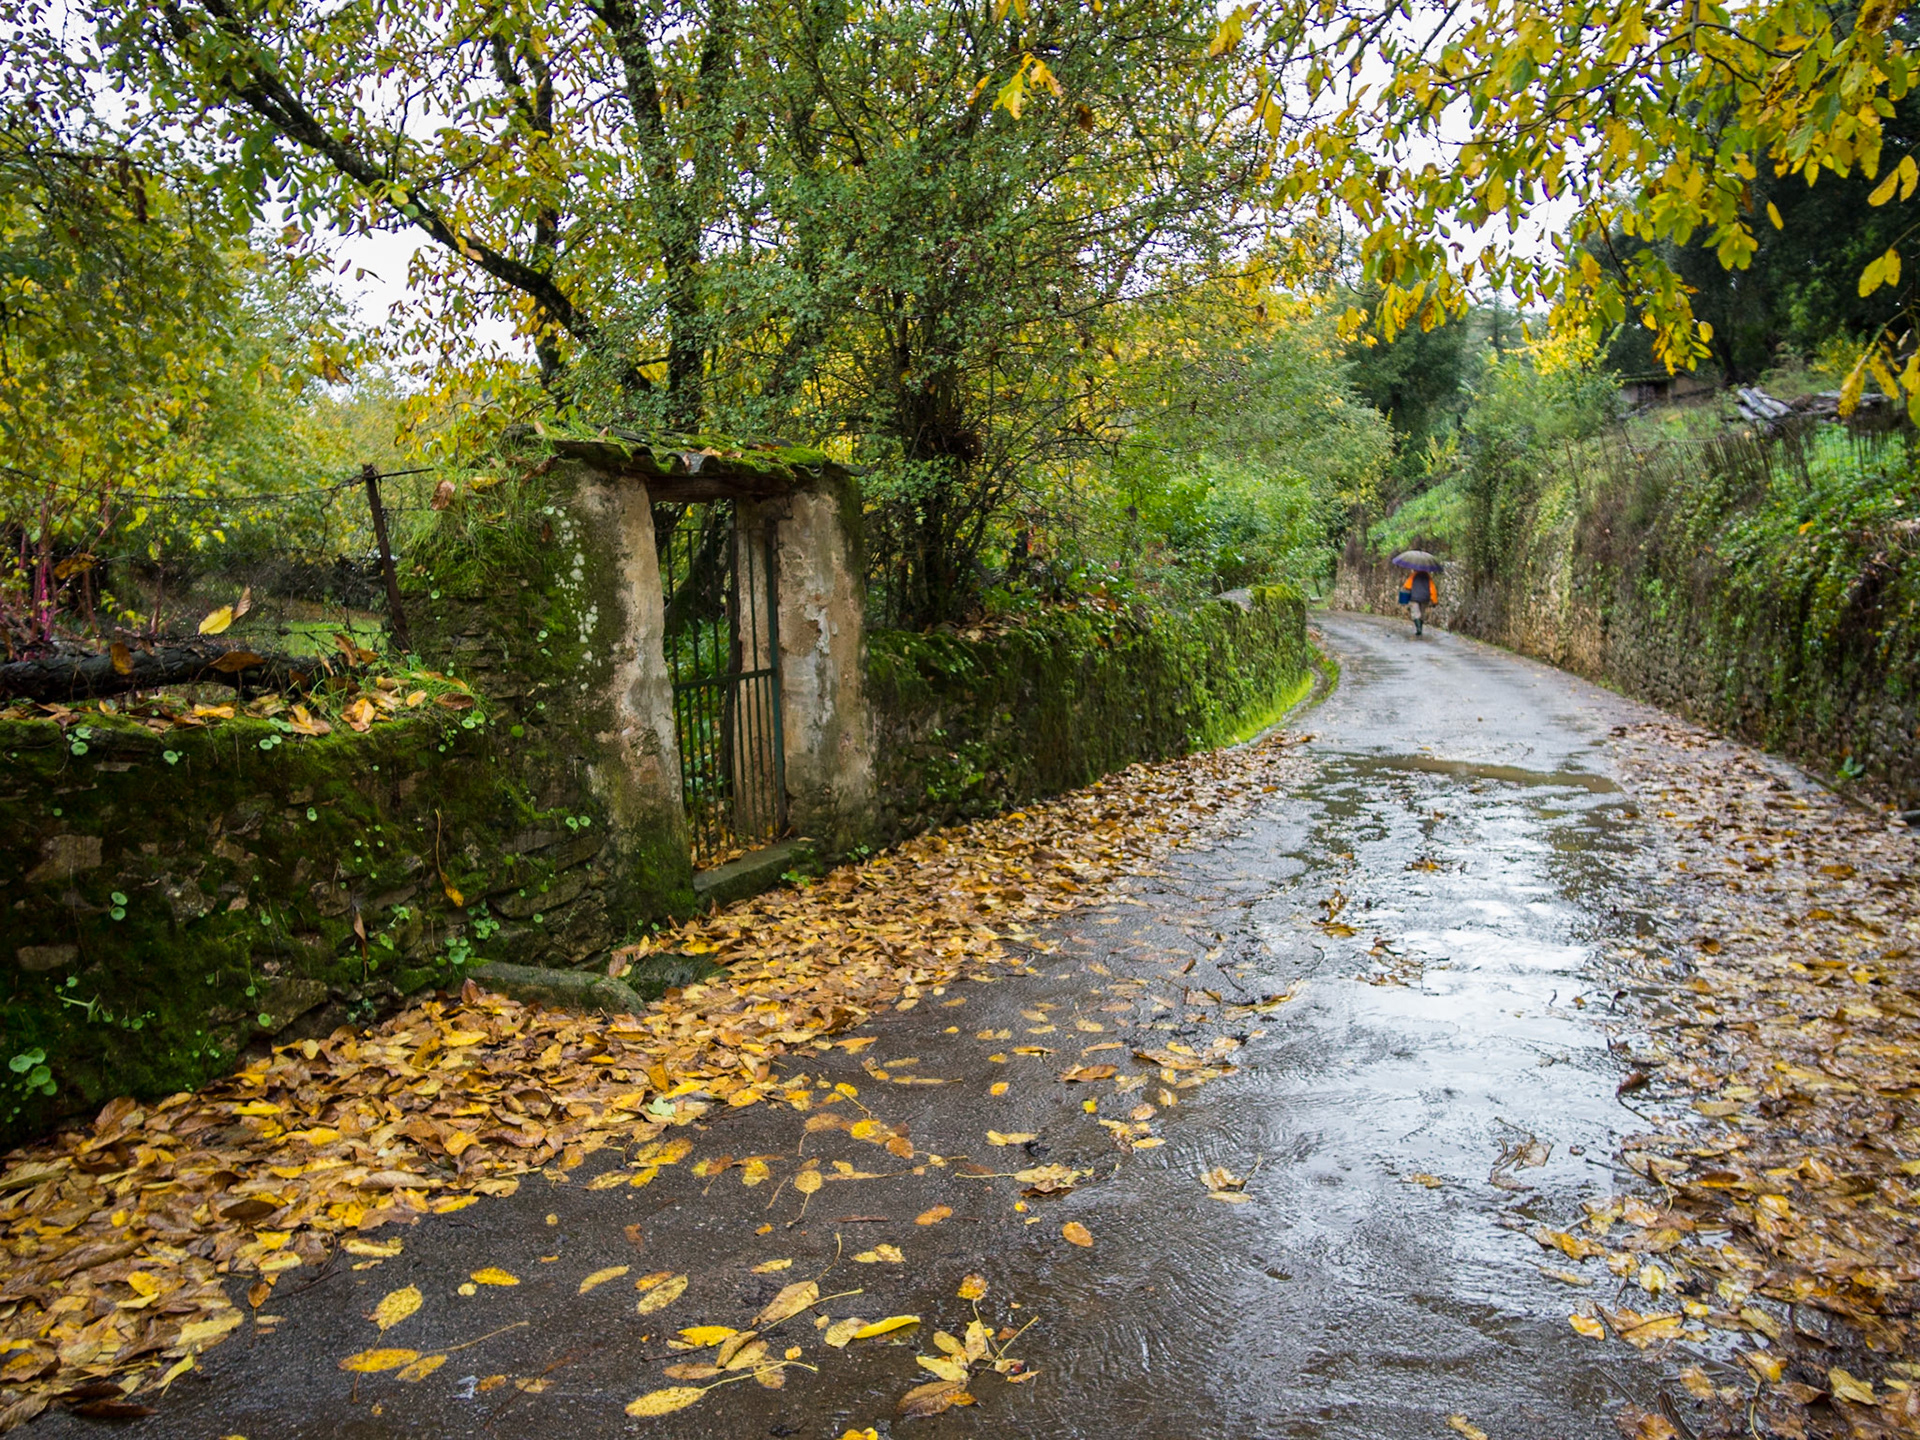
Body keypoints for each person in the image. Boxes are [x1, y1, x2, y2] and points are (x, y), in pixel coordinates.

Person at [1399, 568, 1439, 636]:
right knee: (1422, 614)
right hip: (1425, 598)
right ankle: (1420, 628)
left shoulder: (1413, 576)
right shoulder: (1428, 577)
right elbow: (1432, 589)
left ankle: (1419, 629)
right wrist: (1434, 600)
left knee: (1416, 613)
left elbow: (1407, 586)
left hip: (1414, 597)